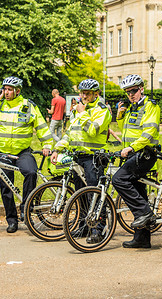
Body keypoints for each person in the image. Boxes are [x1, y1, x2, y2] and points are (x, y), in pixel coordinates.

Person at [0, 76, 53, 233]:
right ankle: (12, 220)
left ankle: (26, 209)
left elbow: (41, 126)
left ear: (18, 91)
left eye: (9, 89)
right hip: (3, 152)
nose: (6, 92)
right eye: (5, 89)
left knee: (31, 172)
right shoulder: (0, 106)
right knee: (5, 187)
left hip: (22, 152)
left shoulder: (28, 106)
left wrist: (47, 145)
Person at [51, 79, 112, 243]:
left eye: (88, 93)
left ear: (96, 94)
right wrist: (57, 149)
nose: (84, 96)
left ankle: (99, 229)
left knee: (95, 193)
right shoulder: (78, 110)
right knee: (80, 194)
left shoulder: (102, 110)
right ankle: (84, 225)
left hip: (94, 157)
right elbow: (69, 134)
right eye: (82, 93)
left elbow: (93, 131)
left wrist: (83, 113)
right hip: (78, 157)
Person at [112, 74, 160, 249]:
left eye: (133, 90)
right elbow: (126, 131)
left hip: (145, 154)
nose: (130, 94)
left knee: (118, 179)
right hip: (133, 154)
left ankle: (146, 213)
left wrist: (132, 148)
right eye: (127, 92)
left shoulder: (150, 106)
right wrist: (119, 116)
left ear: (141, 89)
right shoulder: (132, 107)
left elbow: (148, 134)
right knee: (139, 193)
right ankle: (142, 238)